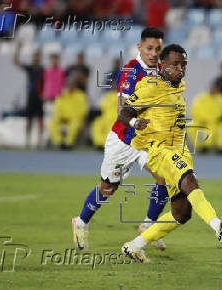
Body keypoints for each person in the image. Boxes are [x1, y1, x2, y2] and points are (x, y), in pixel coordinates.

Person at [119, 44, 222, 263]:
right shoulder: (150, 86)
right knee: (190, 182)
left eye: (184, 64)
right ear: (162, 65)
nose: (181, 68)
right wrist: (135, 121)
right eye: (175, 64)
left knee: (181, 214)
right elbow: (124, 112)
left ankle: (134, 245)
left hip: (179, 151)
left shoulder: (178, 86)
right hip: (161, 151)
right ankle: (217, 225)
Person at [72, 27, 168, 252]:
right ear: (139, 48)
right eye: (149, 48)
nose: (154, 53)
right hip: (124, 141)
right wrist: (138, 122)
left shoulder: (162, 71)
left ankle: (148, 227)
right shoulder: (131, 71)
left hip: (147, 142)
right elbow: (122, 110)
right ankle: (81, 222)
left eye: (158, 49)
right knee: (109, 188)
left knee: (164, 177)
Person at [13, 43, 44, 147]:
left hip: (40, 98)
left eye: (38, 56)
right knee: (29, 120)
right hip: (31, 97)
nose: (36, 58)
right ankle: (27, 141)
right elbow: (17, 63)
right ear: (33, 57)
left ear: (40, 57)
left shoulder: (43, 69)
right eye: (35, 56)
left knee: (40, 120)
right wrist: (17, 50)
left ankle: (40, 141)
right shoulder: (30, 68)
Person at [48, 76, 88, 149]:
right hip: (63, 118)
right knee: (52, 123)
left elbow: (83, 110)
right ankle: (59, 142)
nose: (70, 87)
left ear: (75, 86)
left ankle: (68, 143)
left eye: (72, 85)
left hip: (75, 118)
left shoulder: (81, 95)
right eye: (68, 85)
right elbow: (58, 108)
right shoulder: (62, 95)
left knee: (74, 125)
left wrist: (73, 117)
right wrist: (61, 117)